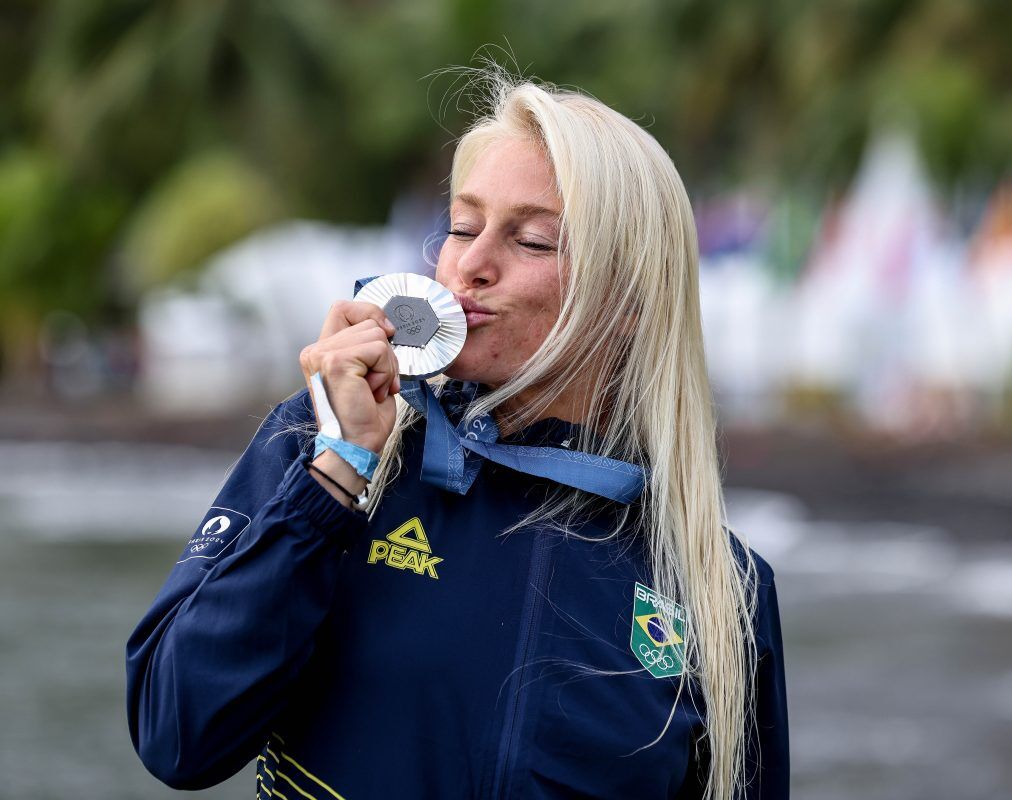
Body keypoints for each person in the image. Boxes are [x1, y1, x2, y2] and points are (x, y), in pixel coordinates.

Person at [126, 73, 789, 799]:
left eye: (532, 240)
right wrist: (335, 476)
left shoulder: (719, 590)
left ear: (628, 300)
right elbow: (176, 735)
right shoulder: (324, 447)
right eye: (463, 227)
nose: (470, 265)